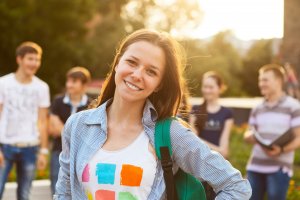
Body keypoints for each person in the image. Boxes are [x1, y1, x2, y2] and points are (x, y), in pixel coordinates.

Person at [54, 29, 251, 200]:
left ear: (159, 85)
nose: (137, 74)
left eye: (151, 71)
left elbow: (235, 186)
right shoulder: (78, 125)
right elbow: (64, 194)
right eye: (131, 62)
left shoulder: (169, 133)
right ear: (117, 63)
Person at [0, 41, 50, 200]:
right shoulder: (3, 83)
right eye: (30, 59)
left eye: (37, 59)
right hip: (5, 145)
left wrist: (43, 151)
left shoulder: (42, 87)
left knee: (24, 195)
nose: (34, 63)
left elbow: (43, 121)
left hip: (30, 147)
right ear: (19, 59)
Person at [244, 64, 300, 200]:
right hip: (255, 166)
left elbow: (298, 137)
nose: (261, 84)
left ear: (279, 81)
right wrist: (250, 136)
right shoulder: (257, 108)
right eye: (260, 80)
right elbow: (247, 133)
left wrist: (281, 150)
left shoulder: (293, 106)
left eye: (265, 80)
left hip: (279, 168)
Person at [48, 66, 91, 195]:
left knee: (78, 189)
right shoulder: (58, 101)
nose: (69, 84)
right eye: (68, 81)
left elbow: (88, 132)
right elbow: (52, 127)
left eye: (74, 81)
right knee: (56, 188)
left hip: (81, 154)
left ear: (84, 85)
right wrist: (76, 134)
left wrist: (62, 131)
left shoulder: (91, 105)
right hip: (58, 151)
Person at [190, 71, 234, 158]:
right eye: (205, 87)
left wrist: (199, 141)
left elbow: (224, 152)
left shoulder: (227, 113)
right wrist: (217, 150)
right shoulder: (195, 109)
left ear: (220, 88)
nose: (207, 90)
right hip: (198, 161)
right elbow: (192, 140)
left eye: (211, 87)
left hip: (217, 163)